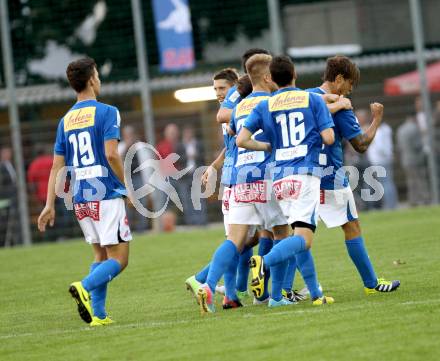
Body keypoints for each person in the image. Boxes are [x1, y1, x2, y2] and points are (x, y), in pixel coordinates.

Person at [37, 57, 132, 326]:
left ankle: (98, 316)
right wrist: (126, 187)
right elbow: (112, 154)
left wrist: (49, 204)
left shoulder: (65, 121)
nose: (99, 80)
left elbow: (57, 167)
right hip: (105, 193)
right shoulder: (107, 111)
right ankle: (85, 286)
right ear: (92, 79)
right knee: (120, 259)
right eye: (98, 75)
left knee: (100, 256)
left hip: (80, 198)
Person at [237, 55, 336, 307]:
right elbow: (329, 138)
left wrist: (267, 146)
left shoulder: (265, 105)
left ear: (272, 78)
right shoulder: (312, 99)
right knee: (304, 239)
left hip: (279, 178)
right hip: (305, 174)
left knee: (297, 238)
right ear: (295, 74)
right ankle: (264, 262)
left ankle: (303, 296)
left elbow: (242, 140)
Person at [197, 53, 291, 313]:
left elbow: (230, 133)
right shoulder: (273, 101)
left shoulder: (237, 107)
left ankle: (208, 285)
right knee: (282, 233)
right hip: (267, 175)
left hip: (239, 179)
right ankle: (276, 295)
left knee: (234, 239)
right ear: (267, 76)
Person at [307, 55, 400, 294]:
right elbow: (360, 144)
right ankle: (372, 284)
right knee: (352, 226)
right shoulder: (341, 106)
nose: (350, 90)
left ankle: (280, 287)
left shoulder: (305, 96)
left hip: (300, 176)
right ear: (338, 79)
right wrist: (376, 120)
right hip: (331, 178)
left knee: (295, 234)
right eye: (350, 84)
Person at [175, 126, 207, 225]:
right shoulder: (179, 146)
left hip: (196, 175)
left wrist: (196, 156)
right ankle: (190, 221)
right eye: (186, 133)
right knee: (186, 200)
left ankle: (201, 220)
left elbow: (203, 158)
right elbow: (177, 160)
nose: (188, 135)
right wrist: (188, 156)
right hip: (184, 176)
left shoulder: (199, 144)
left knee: (199, 198)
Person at [397, 116, 430, 206]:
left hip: (406, 160)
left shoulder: (400, 129)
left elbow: (399, 146)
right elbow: (417, 145)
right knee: (421, 180)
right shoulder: (414, 129)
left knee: (411, 182)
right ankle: (425, 199)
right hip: (416, 159)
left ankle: (413, 200)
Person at [366, 115, 398, 209]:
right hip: (385, 159)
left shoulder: (379, 131)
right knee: (388, 182)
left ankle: (390, 205)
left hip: (379, 160)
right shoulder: (386, 129)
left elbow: (380, 147)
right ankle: (391, 204)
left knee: (385, 184)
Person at [0, 146, 18, 247]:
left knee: (12, 221)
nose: (8, 155)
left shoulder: (12, 164)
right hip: (5, 199)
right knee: (5, 222)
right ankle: (4, 243)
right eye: (6, 153)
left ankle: (11, 243)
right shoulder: (1, 166)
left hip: (13, 197)